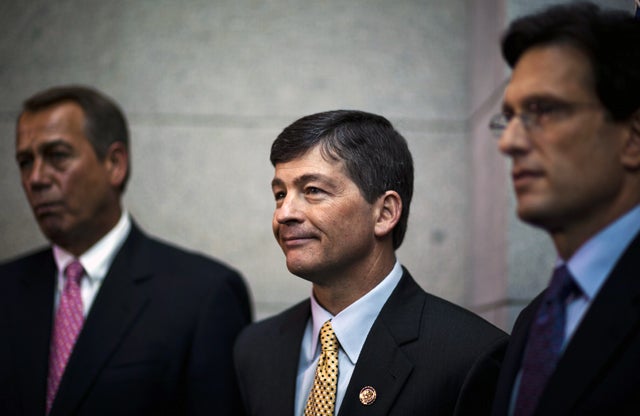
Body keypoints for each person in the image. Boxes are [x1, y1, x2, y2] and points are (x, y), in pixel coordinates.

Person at [234, 109, 508, 416]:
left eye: (312, 191)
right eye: (280, 194)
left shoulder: (469, 355)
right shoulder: (255, 349)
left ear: (385, 213)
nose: (284, 213)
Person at [0, 85, 252, 416]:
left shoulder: (202, 295)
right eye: (24, 161)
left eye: (57, 156)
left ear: (115, 164)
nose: (36, 178)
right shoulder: (5, 288)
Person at [488, 2, 640, 415]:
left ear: (632, 137)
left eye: (544, 111)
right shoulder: (536, 319)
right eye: (510, 117)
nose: (510, 143)